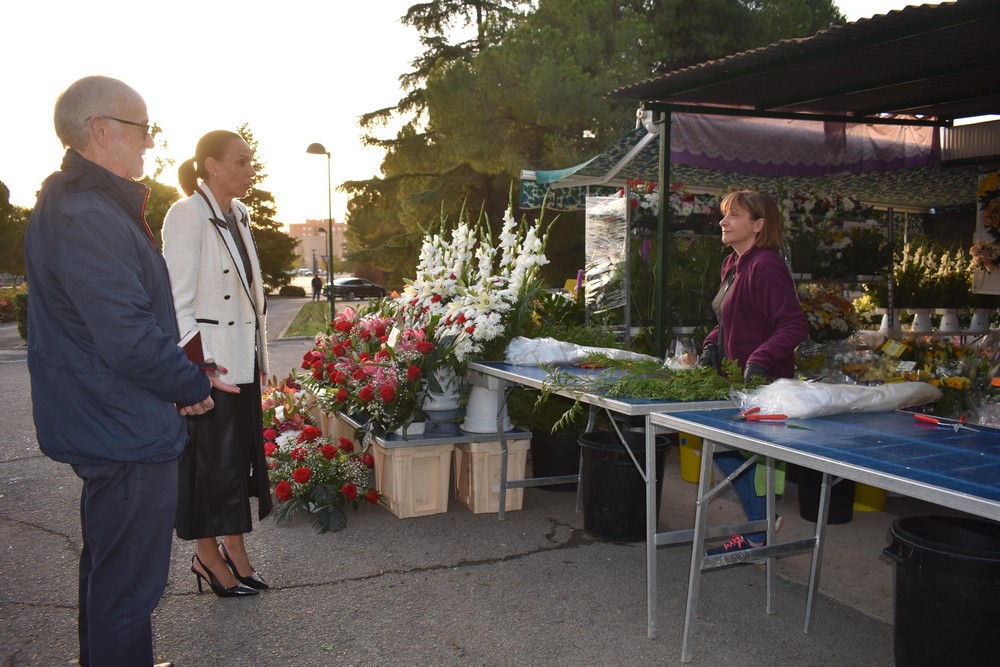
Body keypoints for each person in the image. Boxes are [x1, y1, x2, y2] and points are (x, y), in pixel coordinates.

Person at [24, 76, 215, 667]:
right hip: (124, 429)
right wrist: (192, 385)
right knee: (129, 587)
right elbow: (127, 336)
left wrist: (186, 373)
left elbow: (125, 323)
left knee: (112, 574)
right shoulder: (87, 214)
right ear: (99, 130)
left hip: (114, 418)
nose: (151, 144)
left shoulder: (84, 204)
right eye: (143, 129)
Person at [161, 130, 272, 598]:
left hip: (240, 361)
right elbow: (177, 301)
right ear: (211, 165)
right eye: (242, 162)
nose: (250, 170)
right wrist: (195, 372)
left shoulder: (238, 214)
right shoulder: (186, 214)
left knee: (234, 464)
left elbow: (253, 296)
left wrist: (260, 357)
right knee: (210, 467)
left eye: (251, 162)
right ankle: (207, 558)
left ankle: (237, 552)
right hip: (211, 369)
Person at [698, 190, 808, 555]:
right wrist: (711, 345)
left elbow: (794, 325)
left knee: (728, 447)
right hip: (736, 380)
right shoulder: (733, 263)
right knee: (722, 447)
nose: (723, 222)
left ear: (759, 225)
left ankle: (759, 529)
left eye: (734, 216)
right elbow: (727, 318)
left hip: (763, 384)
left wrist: (759, 359)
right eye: (724, 215)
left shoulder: (766, 265)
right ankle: (762, 522)